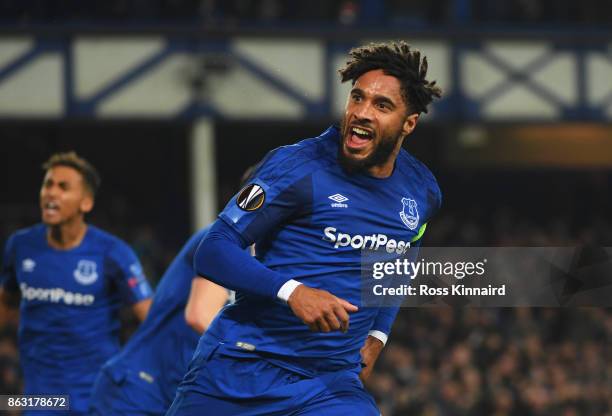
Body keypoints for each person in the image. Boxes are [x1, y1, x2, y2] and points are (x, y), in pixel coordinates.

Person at [166, 40, 443, 415]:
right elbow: (213, 250)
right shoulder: (297, 168)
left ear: (408, 123)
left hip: (329, 385)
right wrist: (293, 292)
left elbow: (403, 258)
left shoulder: (421, 191)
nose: (361, 112)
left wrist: (379, 334)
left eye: (382, 105)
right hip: (240, 370)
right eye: (357, 98)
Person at [0, 152, 153, 415]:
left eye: (63, 187)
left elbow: (150, 318)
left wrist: (143, 376)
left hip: (98, 394)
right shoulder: (21, 245)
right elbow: (6, 301)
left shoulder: (113, 252)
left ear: (86, 203)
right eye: (47, 184)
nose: (51, 193)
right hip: (42, 397)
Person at [89, 226, 229, 415]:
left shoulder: (261, 268)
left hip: (169, 395)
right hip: (137, 391)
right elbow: (201, 316)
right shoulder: (227, 238)